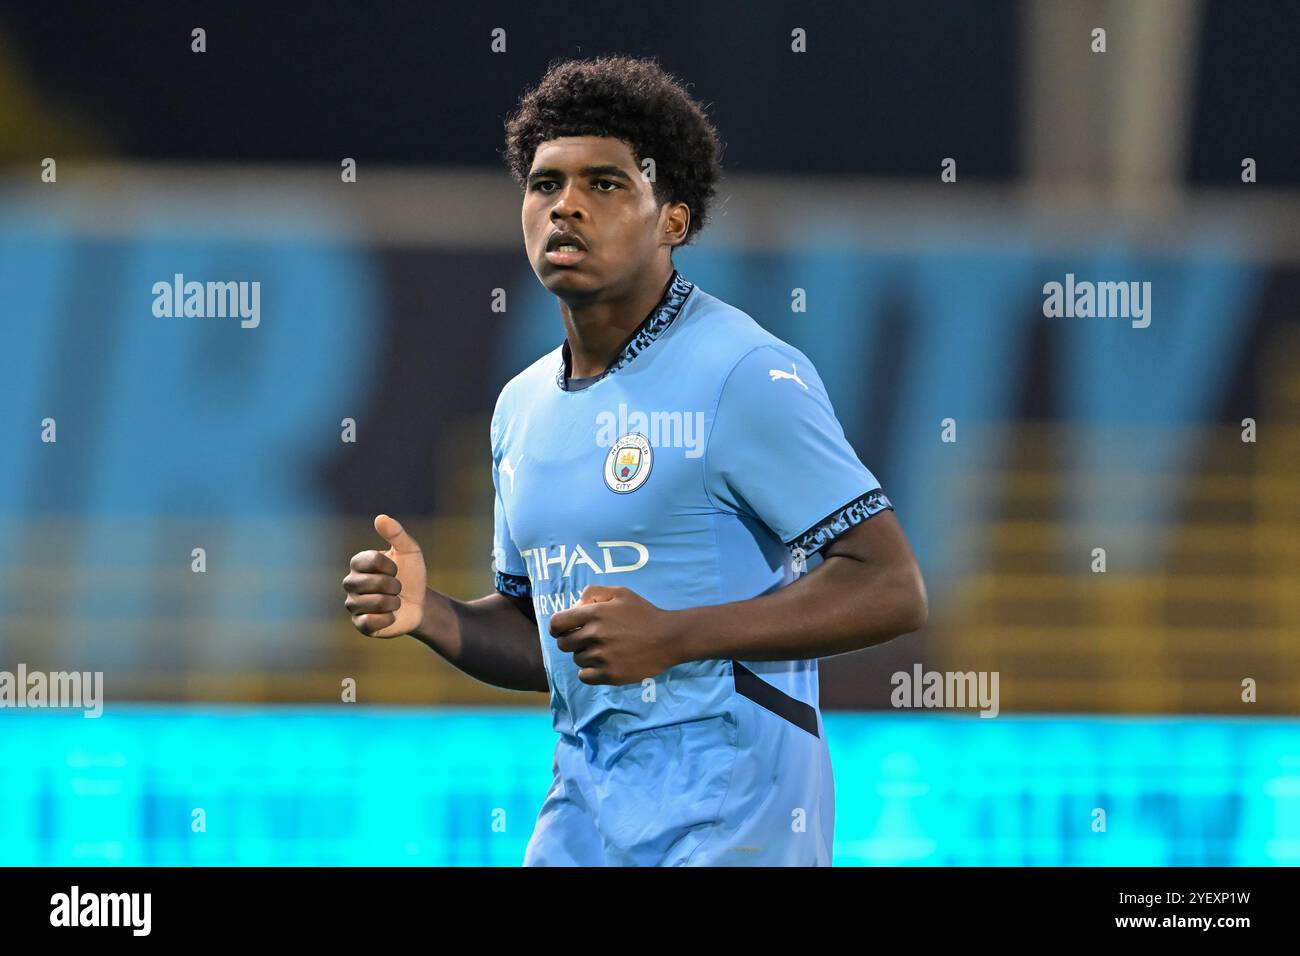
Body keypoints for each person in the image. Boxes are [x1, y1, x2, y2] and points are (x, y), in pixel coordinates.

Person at [343, 55, 927, 866]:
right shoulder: (520, 407)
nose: (566, 206)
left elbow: (891, 584)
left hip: (737, 820)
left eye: (606, 184)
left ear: (673, 220)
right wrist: (433, 614)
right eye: (545, 184)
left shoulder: (745, 374)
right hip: (582, 817)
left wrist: (678, 636)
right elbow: (544, 639)